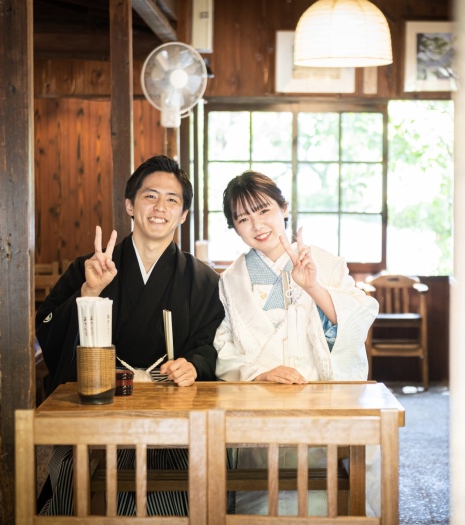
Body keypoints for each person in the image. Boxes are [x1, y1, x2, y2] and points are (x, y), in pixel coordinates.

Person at [35, 155, 225, 515]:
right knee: (73, 472)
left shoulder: (201, 279)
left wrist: (195, 365)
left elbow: (214, 341)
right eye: (150, 196)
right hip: (101, 408)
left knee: (181, 487)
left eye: (172, 200)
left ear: (183, 214)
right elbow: (47, 328)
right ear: (130, 206)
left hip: (171, 416)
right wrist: (88, 294)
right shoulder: (89, 268)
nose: (160, 207)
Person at [212, 171, 379, 515]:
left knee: (324, 499)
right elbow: (224, 347)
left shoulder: (326, 263)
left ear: (283, 208)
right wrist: (260, 373)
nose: (257, 224)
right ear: (234, 226)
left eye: (263, 210)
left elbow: (358, 321)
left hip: (320, 407)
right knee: (261, 499)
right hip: (261, 411)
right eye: (243, 218)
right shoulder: (231, 280)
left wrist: (314, 287)